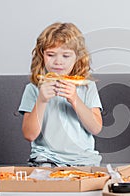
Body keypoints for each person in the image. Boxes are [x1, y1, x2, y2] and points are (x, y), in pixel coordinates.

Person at [19, 22, 103, 167]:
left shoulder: (87, 87)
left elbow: (96, 128)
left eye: (66, 55)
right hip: (46, 158)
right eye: (51, 55)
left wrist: (75, 99)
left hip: (84, 159)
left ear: (77, 57)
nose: (58, 62)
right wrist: (42, 100)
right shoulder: (33, 89)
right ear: (42, 55)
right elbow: (29, 135)